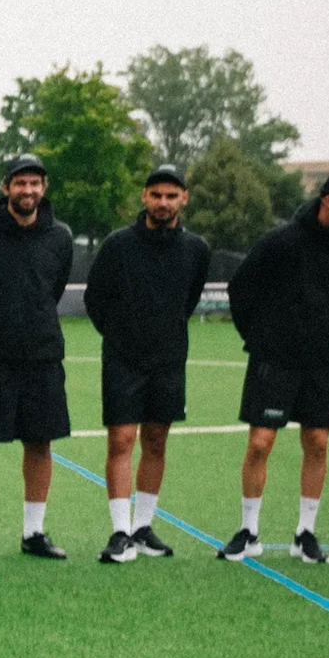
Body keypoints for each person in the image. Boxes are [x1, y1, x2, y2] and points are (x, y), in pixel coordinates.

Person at [222, 170, 329, 564]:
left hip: (322, 358)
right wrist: (260, 340)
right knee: (261, 442)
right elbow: (241, 289)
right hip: (274, 357)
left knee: (318, 443)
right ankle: (249, 531)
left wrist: (320, 326)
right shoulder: (280, 241)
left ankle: (305, 534)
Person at [83, 166, 209, 563]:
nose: (163, 203)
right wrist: (122, 336)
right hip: (123, 359)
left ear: (184, 199)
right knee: (121, 440)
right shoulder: (119, 245)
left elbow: (187, 300)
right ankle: (120, 531)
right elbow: (95, 299)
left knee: (156, 440)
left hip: (169, 360)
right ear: (144, 197)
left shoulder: (197, 250)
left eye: (171, 196)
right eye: (156, 195)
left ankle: (143, 527)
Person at [0, 153, 75, 559]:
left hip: (43, 356)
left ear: (44, 188)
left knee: (40, 444)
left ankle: (34, 533)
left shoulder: (60, 236)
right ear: (6, 187)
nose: (28, 191)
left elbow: (53, 289)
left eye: (35, 183)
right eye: (20, 183)